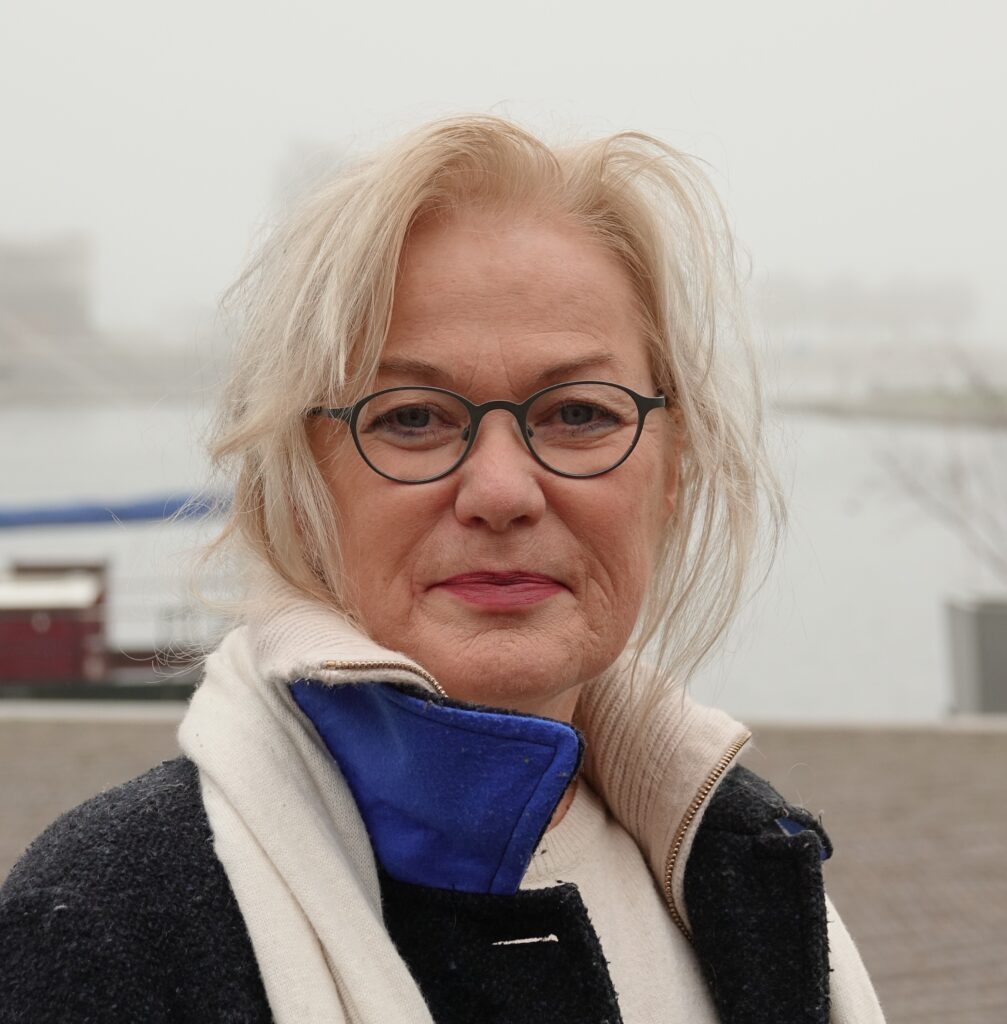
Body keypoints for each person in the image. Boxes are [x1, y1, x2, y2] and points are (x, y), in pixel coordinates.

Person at [0, 116, 885, 1023]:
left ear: (671, 471)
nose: (501, 492)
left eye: (578, 414)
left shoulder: (754, 869)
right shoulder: (105, 931)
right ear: (301, 482)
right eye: (412, 418)